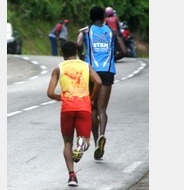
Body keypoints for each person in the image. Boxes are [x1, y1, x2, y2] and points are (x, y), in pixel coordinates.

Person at [47, 41, 102, 186]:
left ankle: (72, 176)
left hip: (67, 108)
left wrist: (59, 97)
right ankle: (80, 147)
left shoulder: (58, 68)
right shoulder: (86, 66)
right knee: (85, 141)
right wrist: (92, 99)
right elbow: (99, 82)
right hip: (84, 107)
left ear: (62, 54)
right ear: (77, 52)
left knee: (67, 142)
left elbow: (50, 93)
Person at [77, 6, 127, 160]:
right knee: (102, 109)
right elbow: (124, 51)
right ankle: (102, 136)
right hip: (107, 72)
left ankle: (96, 138)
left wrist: (81, 56)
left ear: (90, 17)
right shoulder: (112, 32)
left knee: (92, 108)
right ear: (104, 17)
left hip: (91, 72)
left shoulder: (85, 31)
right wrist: (112, 58)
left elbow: (78, 44)